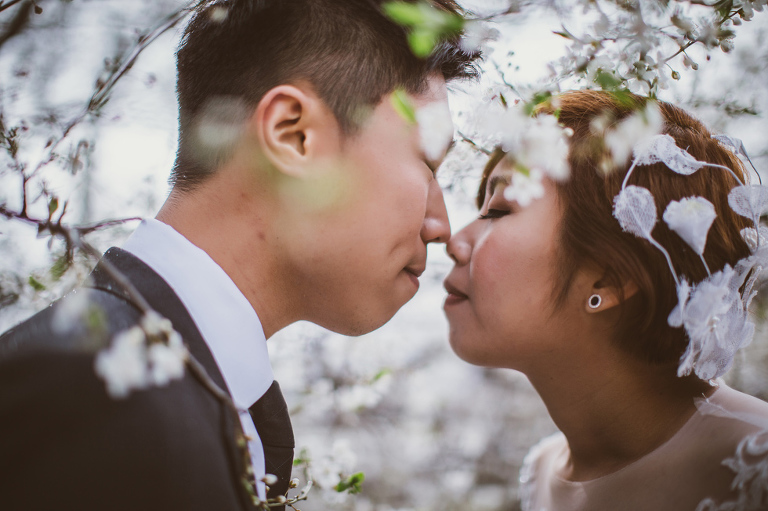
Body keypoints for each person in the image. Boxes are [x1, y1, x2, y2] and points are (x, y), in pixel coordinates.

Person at [0, 1, 479, 510]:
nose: (441, 226)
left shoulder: (206, 405)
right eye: (427, 164)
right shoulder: (82, 392)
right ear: (293, 135)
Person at [443, 90, 768, 511]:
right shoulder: (541, 471)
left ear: (611, 277)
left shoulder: (754, 462)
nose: (454, 241)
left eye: (501, 211)